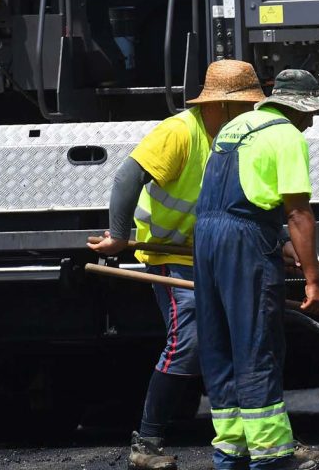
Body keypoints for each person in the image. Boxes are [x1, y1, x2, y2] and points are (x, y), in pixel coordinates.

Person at [89, 59, 263, 470]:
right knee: (190, 341)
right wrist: (117, 235)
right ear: (219, 105)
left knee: (240, 343)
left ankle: (257, 438)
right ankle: (146, 444)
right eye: (243, 105)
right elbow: (127, 177)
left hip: (212, 253)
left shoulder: (236, 136)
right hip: (172, 256)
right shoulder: (180, 131)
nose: (250, 113)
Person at [193, 69, 319, 470]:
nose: (310, 123)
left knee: (220, 346)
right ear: (298, 107)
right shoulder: (286, 134)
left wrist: (275, 239)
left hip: (206, 237)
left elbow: (239, 192)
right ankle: (272, 455)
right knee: (257, 344)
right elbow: (299, 212)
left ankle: (230, 450)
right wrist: (313, 281)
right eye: (310, 113)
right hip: (244, 243)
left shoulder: (234, 127)